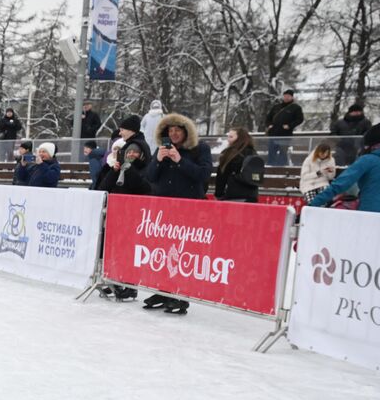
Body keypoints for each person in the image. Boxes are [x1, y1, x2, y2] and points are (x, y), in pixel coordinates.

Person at [144, 111, 212, 314]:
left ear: (185, 132)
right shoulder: (161, 148)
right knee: (163, 251)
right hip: (164, 208)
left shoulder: (200, 149)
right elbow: (149, 176)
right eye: (170, 130)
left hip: (189, 208)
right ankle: (163, 290)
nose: (173, 134)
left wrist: (180, 160)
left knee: (184, 253)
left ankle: (180, 295)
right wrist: (157, 159)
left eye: (177, 130)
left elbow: (204, 174)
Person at [95, 139, 153, 301]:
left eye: (135, 152)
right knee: (113, 250)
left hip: (135, 217)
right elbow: (103, 188)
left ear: (141, 154)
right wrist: (114, 171)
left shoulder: (145, 169)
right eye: (129, 152)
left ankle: (130, 286)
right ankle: (113, 280)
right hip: (116, 215)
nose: (131, 154)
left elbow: (145, 188)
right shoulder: (118, 167)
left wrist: (130, 171)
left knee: (129, 252)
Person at [307, 121, 380, 213]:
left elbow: (341, 184)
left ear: (370, 145)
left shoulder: (368, 160)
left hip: (370, 214)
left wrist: (313, 204)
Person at [214, 127, 264, 202]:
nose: (228, 139)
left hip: (233, 195)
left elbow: (222, 175)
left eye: (231, 137)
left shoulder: (230, 153)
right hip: (252, 195)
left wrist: (219, 194)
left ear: (240, 138)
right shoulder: (253, 152)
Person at [265, 89, 304, 166]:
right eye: (285, 96)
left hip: (285, 134)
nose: (286, 98)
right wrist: (269, 124)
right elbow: (268, 118)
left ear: (292, 97)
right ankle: (270, 166)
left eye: (288, 96)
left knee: (283, 152)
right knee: (271, 151)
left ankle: (281, 168)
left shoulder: (296, 108)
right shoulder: (276, 107)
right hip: (273, 133)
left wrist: (289, 126)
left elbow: (300, 119)